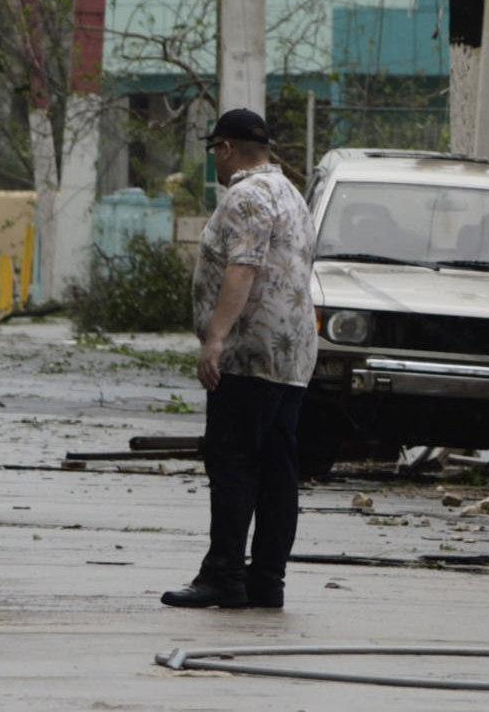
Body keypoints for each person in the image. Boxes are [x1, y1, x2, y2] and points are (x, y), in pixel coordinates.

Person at [162, 106, 315, 611]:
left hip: (249, 357)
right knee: (277, 470)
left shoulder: (245, 197)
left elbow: (243, 268)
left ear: (225, 149)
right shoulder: (291, 194)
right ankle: (267, 581)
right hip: (290, 359)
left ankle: (223, 575)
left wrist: (215, 340)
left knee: (233, 465)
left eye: (215, 152)